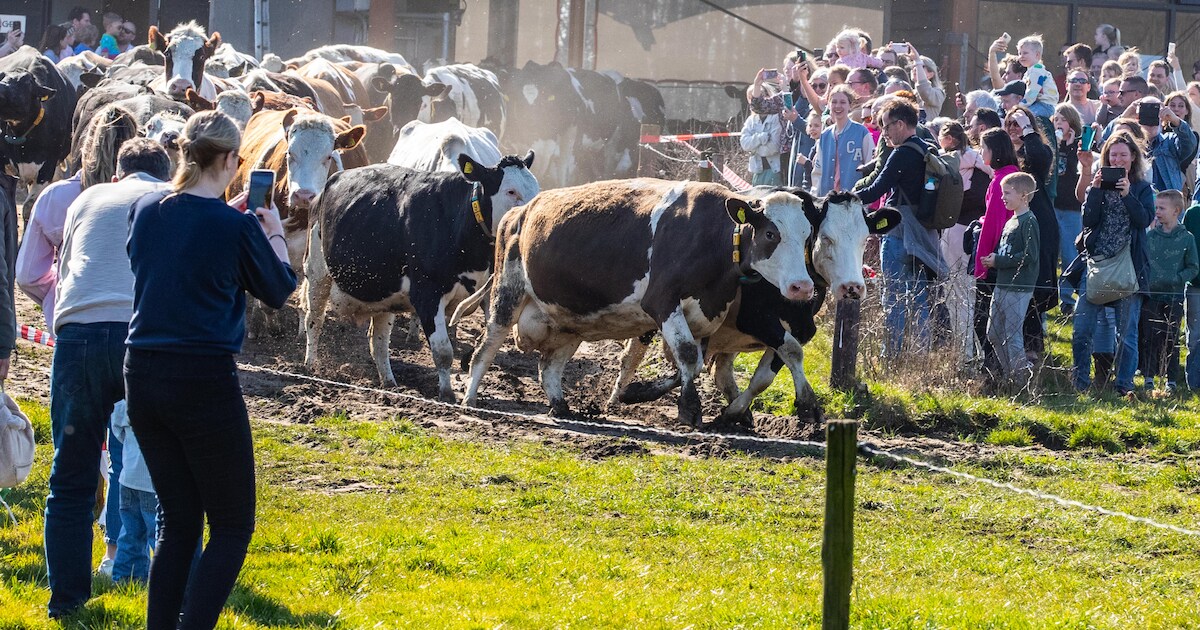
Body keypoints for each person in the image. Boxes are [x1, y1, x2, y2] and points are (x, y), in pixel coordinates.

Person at [124, 111, 297, 629]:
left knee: (179, 521)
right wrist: (272, 235)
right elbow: (279, 289)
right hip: (201, 378)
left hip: (142, 372)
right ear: (228, 159)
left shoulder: (145, 209)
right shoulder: (237, 227)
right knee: (232, 525)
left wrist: (231, 221)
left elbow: (175, 251)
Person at [41, 117, 159, 618]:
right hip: (143, 336)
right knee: (172, 470)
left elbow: (67, 269)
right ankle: (177, 598)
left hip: (80, 336)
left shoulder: (86, 200)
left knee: (70, 476)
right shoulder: (168, 200)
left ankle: (66, 602)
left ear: (116, 174)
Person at [854, 97, 946, 358]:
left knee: (893, 296)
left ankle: (891, 354)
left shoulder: (902, 153)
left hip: (898, 232)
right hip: (923, 233)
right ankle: (919, 354)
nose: (883, 133)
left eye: (886, 127)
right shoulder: (926, 148)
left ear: (901, 124)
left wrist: (846, 198)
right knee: (919, 297)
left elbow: (876, 189)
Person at [1071, 132, 1152, 394]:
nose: (1117, 160)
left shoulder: (1142, 188)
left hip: (1128, 267)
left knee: (1127, 336)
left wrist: (1128, 195)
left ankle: (1123, 386)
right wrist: (1094, 191)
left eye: (1123, 155)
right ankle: (1080, 383)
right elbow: (1088, 221)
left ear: (1133, 158)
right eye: (1113, 155)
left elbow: (1144, 220)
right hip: (1096, 267)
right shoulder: (1097, 186)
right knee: (1081, 330)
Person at [1005, 106, 1059, 358]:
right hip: (1007, 224)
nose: (1013, 128)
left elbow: (1039, 156)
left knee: (1033, 285)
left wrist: (1027, 129)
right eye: (1010, 123)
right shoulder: (1002, 153)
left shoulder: (1037, 153)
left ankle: (1032, 349)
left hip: (1038, 222)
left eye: (1019, 124)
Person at [981, 172, 1041, 389]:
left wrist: (999, 261)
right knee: (994, 334)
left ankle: (1020, 383)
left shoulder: (1029, 221)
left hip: (1019, 287)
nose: (1002, 198)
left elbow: (1029, 256)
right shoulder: (1011, 221)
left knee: (1011, 335)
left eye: (1007, 193)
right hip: (1002, 284)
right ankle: (1011, 375)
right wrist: (994, 259)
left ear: (1023, 195)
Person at [1140, 190, 1198, 392]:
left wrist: (1177, 279)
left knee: (1171, 338)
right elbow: (1143, 263)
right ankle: (1148, 377)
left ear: (1176, 211)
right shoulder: (1150, 237)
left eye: (1162, 208)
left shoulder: (1186, 238)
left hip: (1174, 296)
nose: (1157, 212)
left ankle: (1171, 380)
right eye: (1156, 208)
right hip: (1151, 296)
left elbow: (1193, 267)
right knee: (1149, 336)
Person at [974, 128, 1022, 373]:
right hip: (1009, 256)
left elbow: (994, 224)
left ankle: (993, 371)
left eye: (983, 147)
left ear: (995, 150)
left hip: (995, 257)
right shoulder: (1015, 176)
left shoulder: (1001, 181)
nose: (980, 152)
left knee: (984, 318)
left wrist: (981, 262)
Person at [812, 85, 874, 195]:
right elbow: (818, 171)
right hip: (828, 197)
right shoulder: (825, 135)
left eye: (843, 102)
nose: (838, 106)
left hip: (853, 197)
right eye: (834, 102)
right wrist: (816, 196)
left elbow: (870, 165)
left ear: (850, 105)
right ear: (829, 105)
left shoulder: (862, 132)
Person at [1053, 103, 1084, 315]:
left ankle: (1067, 299)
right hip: (1053, 205)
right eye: (1056, 119)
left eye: (1063, 120)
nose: (1059, 123)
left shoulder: (1079, 146)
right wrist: (1057, 146)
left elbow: (1077, 173)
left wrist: (1071, 148)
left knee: (1069, 254)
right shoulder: (1050, 145)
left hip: (1072, 208)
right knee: (1050, 253)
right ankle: (1048, 296)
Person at [740, 85, 784, 186]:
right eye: (751, 97)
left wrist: (754, 149)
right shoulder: (751, 120)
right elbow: (744, 144)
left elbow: (774, 147)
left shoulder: (776, 118)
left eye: (760, 95)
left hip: (774, 171)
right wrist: (761, 138)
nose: (754, 100)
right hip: (757, 171)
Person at [1015, 35, 1059, 119]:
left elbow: (1032, 92)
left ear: (1037, 55)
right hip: (1040, 104)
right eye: (1019, 53)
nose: (1021, 56)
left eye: (1025, 53)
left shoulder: (1036, 71)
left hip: (1044, 105)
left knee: (1024, 117)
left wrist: (1021, 106)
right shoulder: (1032, 71)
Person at [1182, 197, 1200, 389]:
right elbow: (1183, 247)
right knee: (1195, 336)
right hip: (1196, 285)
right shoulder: (1193, 214)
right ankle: (1194, 383)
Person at [906, 42, 945, 116]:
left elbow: (924, 91)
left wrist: (918, 61)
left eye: (921, 67)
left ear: (931, 74)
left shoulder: (938, 93)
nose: (915, 69)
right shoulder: (909, 92)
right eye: (914, 66)